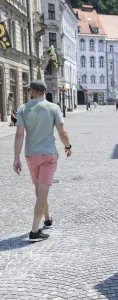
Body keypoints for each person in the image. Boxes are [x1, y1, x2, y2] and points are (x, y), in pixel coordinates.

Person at [13, 80, 72, 242]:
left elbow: (19, 135)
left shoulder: (23, 109)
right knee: (42, 191)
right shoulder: (53, 108)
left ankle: (47, 218)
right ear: (44, 92)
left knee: (40, 190)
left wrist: (16, 158)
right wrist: (68, 146)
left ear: (33, 91)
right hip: (48, 154)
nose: (28, 92)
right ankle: (34, 230)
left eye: (29, 90)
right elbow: (62, 132)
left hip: (31, 155)